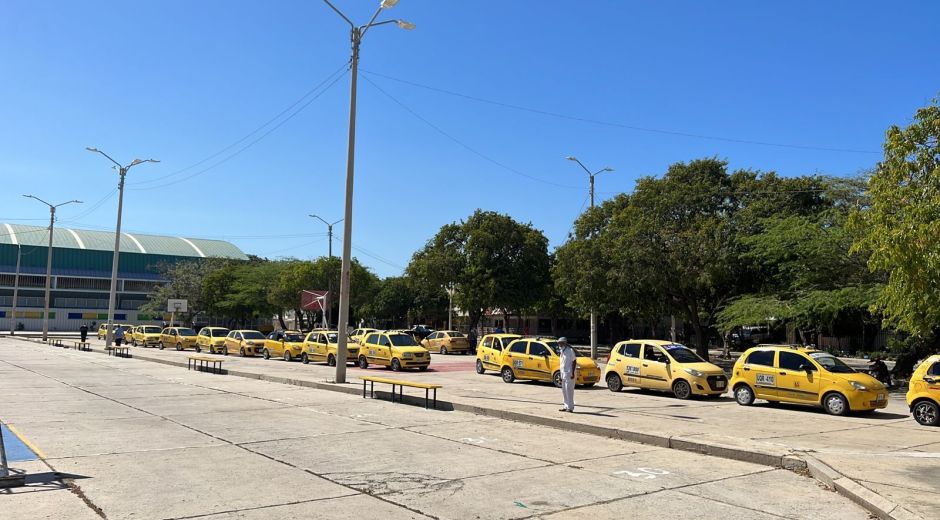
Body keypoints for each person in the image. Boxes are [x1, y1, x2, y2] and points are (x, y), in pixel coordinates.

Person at [558, 337, 577, 412]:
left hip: (569, 374)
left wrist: (572, 373)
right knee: (564, 391)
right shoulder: (561, 351)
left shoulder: (570, 350)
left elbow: (574, 361)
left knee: (569, 391)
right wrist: (560, 374)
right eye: (558, 343)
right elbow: (562, 364)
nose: (559, 344)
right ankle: (565, 406)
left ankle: (570, 407)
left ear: (564, 343)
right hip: (563, 374)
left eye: (560, 343)